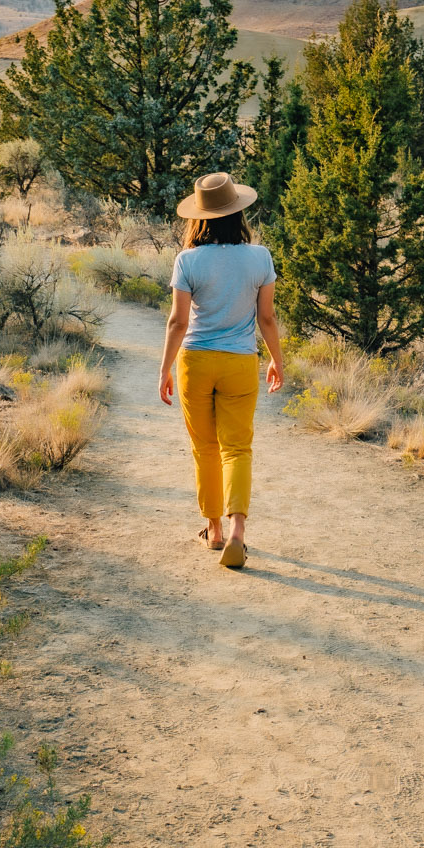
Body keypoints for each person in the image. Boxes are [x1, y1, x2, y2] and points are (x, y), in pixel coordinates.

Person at [158, 172, 285, 569]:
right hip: (239, 362)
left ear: (199, 217)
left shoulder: (188, 260)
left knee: (205, 448)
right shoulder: (260, 257)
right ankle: (237, 533)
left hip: (195, 360)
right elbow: (266, 318)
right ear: (238, 213)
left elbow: (178, 323)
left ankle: (212, 530)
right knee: (237, 447)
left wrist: (164, 370)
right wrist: (277, 360)